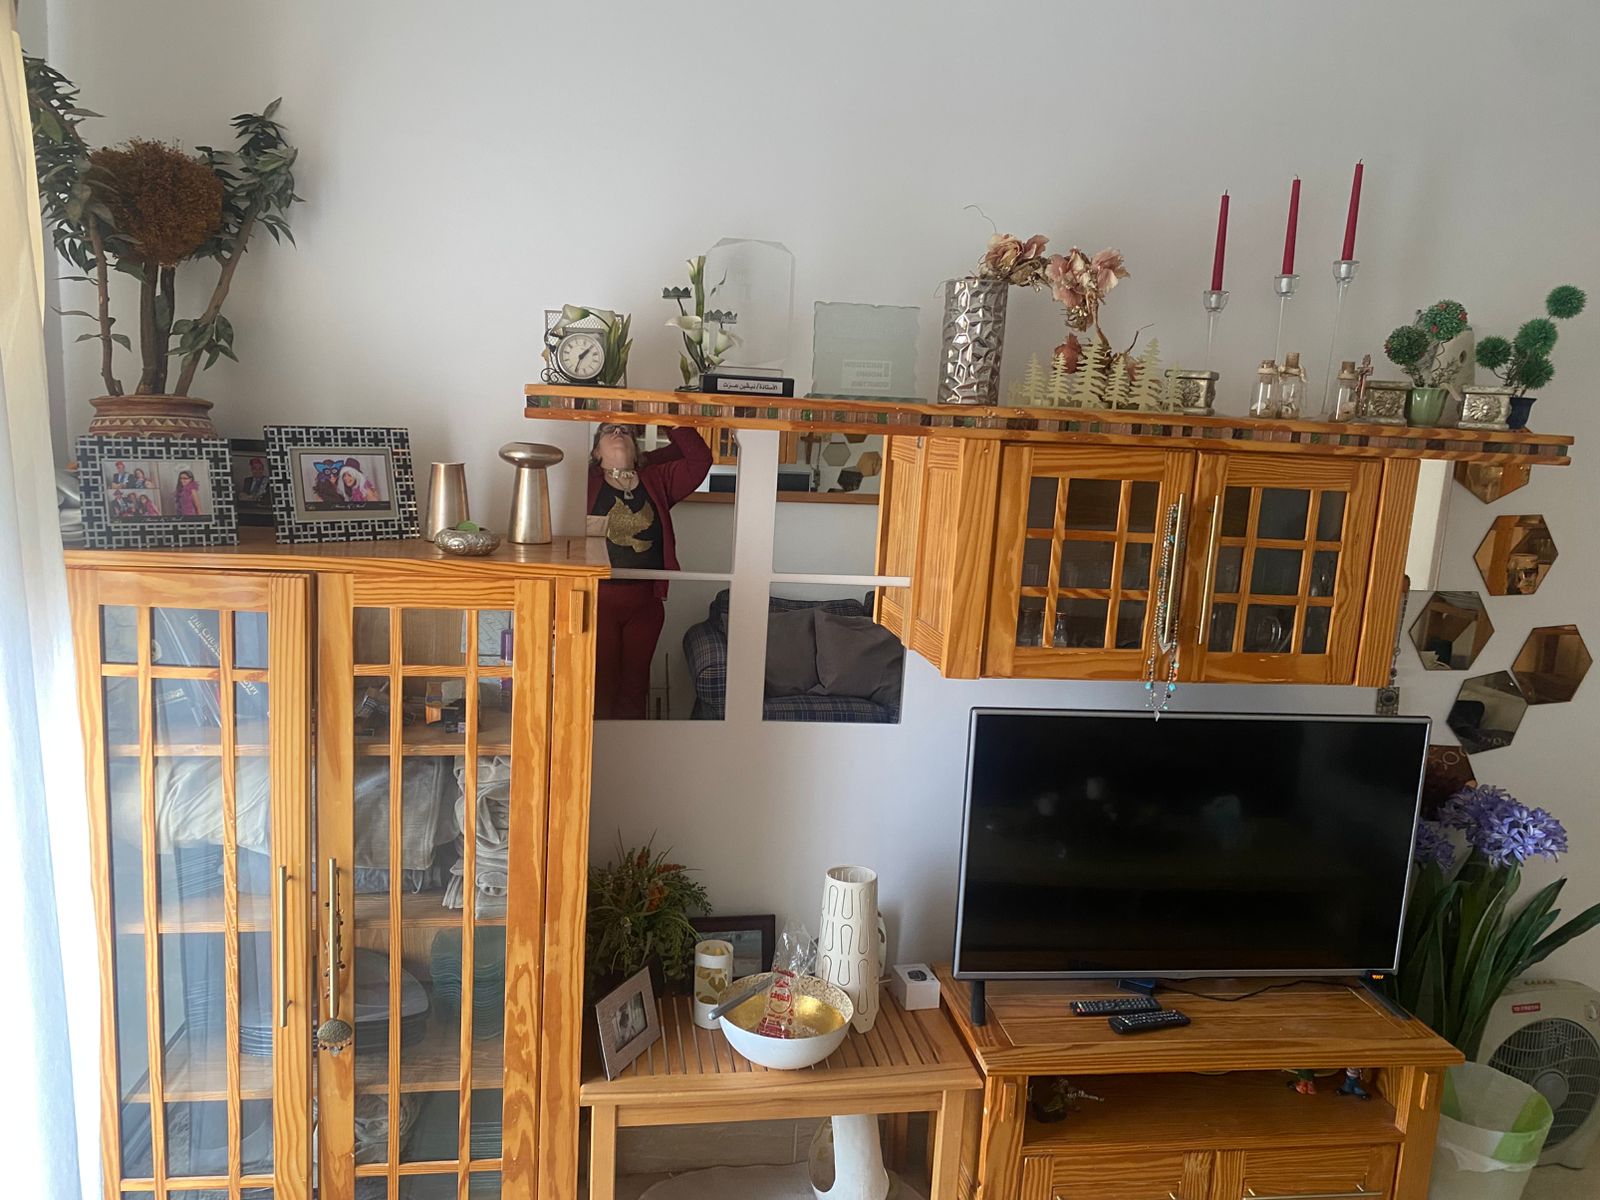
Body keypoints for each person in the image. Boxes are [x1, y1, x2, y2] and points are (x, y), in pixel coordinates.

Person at [587, 423, 711, 719]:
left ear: (637, 450)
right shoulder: (585, 480)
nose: (618, 432)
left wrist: (668, 416)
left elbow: (699, 459)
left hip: (645, 602)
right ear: (596, 452)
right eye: (608, 430)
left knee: (635, 684)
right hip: (596, 600)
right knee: (599, 682)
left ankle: (632, 747)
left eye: (626, 431)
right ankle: (600, 747)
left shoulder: (656, 478)